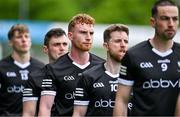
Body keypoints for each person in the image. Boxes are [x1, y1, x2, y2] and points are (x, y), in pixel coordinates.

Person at [113, 0, 179, 116]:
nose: (171, 24)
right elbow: (122, 101)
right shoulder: (133, 55)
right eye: (165, 18)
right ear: (153, 22)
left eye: (175, 19)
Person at [38, 13, 104, 116]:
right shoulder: (54, 68)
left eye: (91, 33)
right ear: (70, 36)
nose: (88, 37)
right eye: (83, 32)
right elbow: (45, 108)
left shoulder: (102, 66)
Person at [72, 24, 129, 116]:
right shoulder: (88, 76)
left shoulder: (136, 76)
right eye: (118, 41)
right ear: (106, 46)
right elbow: (78, 114)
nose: (123, 45)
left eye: (126, 41)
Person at [22, 28, 69, 117]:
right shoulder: (35, 77)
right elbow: (28, 113)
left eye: (65, 44)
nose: (62, 48)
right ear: (45, 49)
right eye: (57, 44)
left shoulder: (81, 74)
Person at [0, 24, 44, 116]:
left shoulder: (41, 67)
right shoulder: (1, 66)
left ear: (30, 41)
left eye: (26, 36)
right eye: (19, 37)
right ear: (11, 42)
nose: (24, 40)